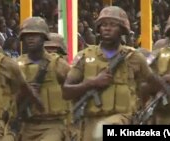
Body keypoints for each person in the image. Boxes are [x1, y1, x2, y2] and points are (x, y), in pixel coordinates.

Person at [62, 6, 154, 141]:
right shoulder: (85, 56)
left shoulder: (134, 57)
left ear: (122, 30)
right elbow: (66, 92)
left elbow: (150, 87)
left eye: (113, 25)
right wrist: (91, 83)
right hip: (88, 123)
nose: (107, 28)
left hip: (122, 120)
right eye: (104, 24)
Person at [17, 16, 71, 141]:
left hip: (52, 124)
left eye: (35, 35)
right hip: (26, 124)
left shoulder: (57, 64)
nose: (30, 38)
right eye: (27, 35)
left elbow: (74, 89)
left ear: (43, 38)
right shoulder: (17, 65)